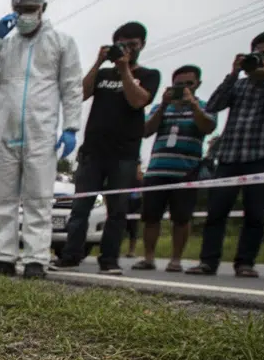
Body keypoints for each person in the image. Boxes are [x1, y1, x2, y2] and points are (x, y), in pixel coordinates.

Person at [0, 0, 83, 280]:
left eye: (29, 10)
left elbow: (72, 87)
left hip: (40, 131)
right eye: (19, 11)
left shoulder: (61, 43)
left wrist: (71, 126)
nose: (24, 16)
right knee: (2, 199)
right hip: (5, 131)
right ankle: (3, 257)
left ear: (42, 9)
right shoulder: (5, 44)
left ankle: (36, 259)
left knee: (38, 198)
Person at [188, 30, 264, 277]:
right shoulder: (239, 84)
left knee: (255, 213)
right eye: (261, 53)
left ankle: (245, 263)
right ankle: (208, 261)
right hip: (229, 155)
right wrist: (233, 73)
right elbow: (214, 104)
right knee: (216, 212)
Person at [54, 22, 161, 275]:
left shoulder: (148, 75)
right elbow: (78, 94)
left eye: (133, 45)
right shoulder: (102, 76)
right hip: (93, 152)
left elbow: (138, 101)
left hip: (124, 154)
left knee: (117, 209)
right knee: (80, 207)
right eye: (122, 45)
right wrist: (98, 63)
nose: (127, 49)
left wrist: (124, 69)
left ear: (142, 45)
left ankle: (109, 259)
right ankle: (70, 255)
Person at [134, 65, 218, 272]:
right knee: (151, 217)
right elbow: (145, 131)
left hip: (186, 172)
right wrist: (163, 106)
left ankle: (176, 260)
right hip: (157, 170)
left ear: (197, 84)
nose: (183, 88)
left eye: (188, 84)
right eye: (178, 84)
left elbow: (208, 127)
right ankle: (149, 258)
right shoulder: (161, 108)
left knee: (181, 218)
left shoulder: (206, 106)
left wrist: (193, 105)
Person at [125, 164, 144, 258]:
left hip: (135, 207)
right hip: (124, 205)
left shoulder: (141, 182)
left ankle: (131, 251)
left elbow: (142, 195)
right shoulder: (125, 179)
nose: (138, 171)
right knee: (120, 228)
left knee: (133, 230)